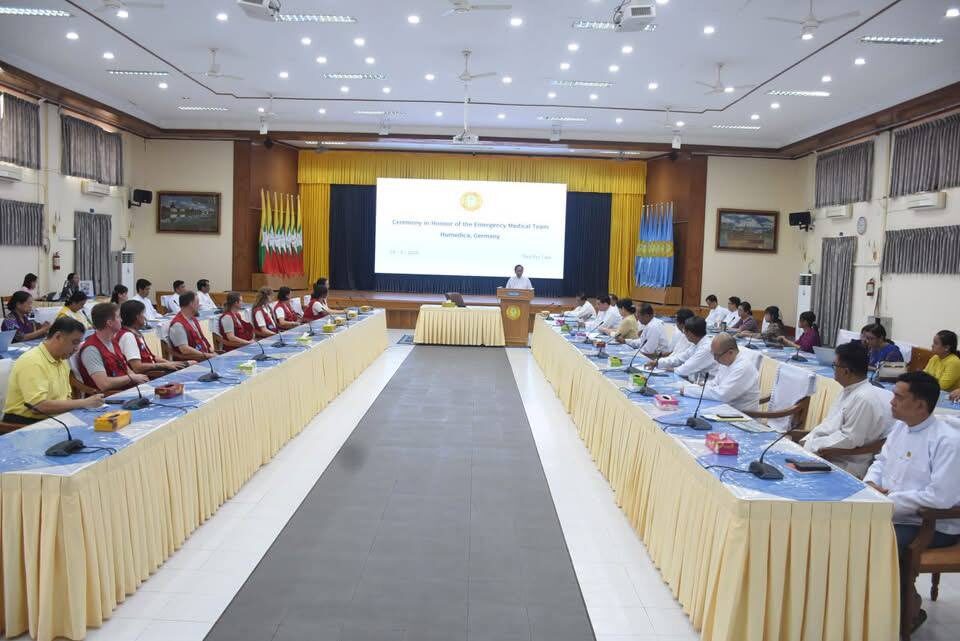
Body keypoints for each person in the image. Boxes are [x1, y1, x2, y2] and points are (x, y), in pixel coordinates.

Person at [864, 371, 960, 633]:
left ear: (920, 405)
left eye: (898, 397)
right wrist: (871, 483)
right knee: (852, 531)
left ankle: (907, 609)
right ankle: (872, 608)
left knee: (878, 540)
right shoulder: (901, 427)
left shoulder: (948, 441)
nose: (891, 401)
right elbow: (880, 462)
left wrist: (887, 500)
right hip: (891, 509)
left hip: (933, 524)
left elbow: (939, 498)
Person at [801, 342, 894, 477]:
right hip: (827, 453)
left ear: (846, 371)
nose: (834, 369)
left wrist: (812, 445)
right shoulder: (849, 390)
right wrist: (808, 440)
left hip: (845, 463)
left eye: (835, 365)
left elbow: (849, 439)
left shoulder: (864, 398)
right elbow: (829, 424)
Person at [2, 317, 104, 425]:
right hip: (25, 423)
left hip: (55, 418)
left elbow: (65, 398)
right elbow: (38, 406)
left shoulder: (62, 360)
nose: (76, 348)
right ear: (58, 337)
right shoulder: (32, 361)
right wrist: (84, 402)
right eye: (74, 342)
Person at [76, 303, 149, 393]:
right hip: (111, 397)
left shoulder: (113, 341)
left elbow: (127, 370)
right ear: (109, 323)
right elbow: (104, 384)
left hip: (128, 391)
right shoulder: (91, 350)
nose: (121, 320)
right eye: (118, 317)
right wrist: (131, 378)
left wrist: (139, 381)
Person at [678, 333, 760, 412]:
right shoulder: (727, 361)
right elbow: (715, 383)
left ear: (730, 352)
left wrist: (689, 391)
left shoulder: (743, 367)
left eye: (717, 355)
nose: (715, 358)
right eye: (713, 354)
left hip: (741, 414)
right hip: (724, 409)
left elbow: (722, 395)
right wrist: (698, 386)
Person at [117, 300, 188, 376]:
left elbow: (152, 357)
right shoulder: (128, 337)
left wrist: (170, 363)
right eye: (143, 314)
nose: (145, 317)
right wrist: (164, 365)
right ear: (137, 317)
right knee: (187, 369)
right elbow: (137, 368)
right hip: (147, 376)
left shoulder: (136, 333)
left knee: (189, 364)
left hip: (153, 372)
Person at [169, 291, 215, 361]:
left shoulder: (193, 319)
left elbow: (201, 338)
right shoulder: (177, 325)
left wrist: (211, 350)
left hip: (204, 357)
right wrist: (206, 355)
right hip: (192, 362)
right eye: (197, 302)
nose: (199, 305)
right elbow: (184, 349)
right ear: (191, 304)